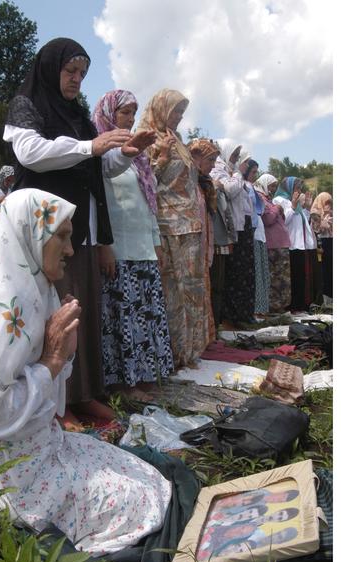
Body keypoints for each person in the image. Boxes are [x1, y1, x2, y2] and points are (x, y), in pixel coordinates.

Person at [0, 188, 171, 556]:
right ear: (29, 231)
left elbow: (47, 383)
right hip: (0, 467)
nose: (71, 250)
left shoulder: (33, 286)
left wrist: (60, 354)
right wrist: (52, 361)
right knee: (134, 501)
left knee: (146, 478)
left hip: (34, 444)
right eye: (63, 236)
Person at [2, 37, 154, 428]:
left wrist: (124, 154)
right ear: (51, 68)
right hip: (44, 234)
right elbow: (31, 153)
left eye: (82, 74)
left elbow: (96, 167)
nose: (76, 79)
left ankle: (82, 394)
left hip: (77, 233)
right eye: (70, 71)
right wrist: (91, 146)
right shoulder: (28, 105)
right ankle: (55, 403)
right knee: (50, 315)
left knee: (78, 311)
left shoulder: (77, 116)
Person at [92, 89, 173, 397]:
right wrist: (104, 244)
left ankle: (145, 374)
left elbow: (147, 201)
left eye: (133, 113)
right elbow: (97, 203)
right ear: (109, 113)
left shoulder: (137, 156)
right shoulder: (100, 151)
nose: (130, 119)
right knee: (124, 317)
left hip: (142, 248)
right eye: (125, 112)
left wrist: (156, 243)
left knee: (146, 315)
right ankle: (125, 383)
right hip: (119, 248)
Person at [138, 88, 213, 369]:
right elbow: (143, 185)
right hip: (167, 226)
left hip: (190, 225)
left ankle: (191, 351)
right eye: (176, 111)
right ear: (161, 109)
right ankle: (172, 353)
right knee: (173, 290)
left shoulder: (178, 140)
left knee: (193, 289)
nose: (180, 117)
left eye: (182, 112)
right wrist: (162, 159)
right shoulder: (147, 140)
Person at [190, 139, 234, 328]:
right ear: (196, 158)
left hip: (207, 240)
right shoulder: (189, 181)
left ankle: (211, 328)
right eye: (210, 160)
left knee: (215, 286)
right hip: (192, 244)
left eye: (215, 161)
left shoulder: (205, 183)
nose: (213, 166)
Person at [211, 141, 255, 327]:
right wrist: (236, 174)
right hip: (227, 229)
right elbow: (229, 190)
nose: (236, 160)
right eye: (234, 156)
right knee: (232, 275)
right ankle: (231, 317)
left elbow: (243, 201)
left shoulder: (231, 173)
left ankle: (242, 315)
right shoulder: (219, 169)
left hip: (240, 226)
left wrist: (234, 177)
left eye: (238, 157)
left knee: (243, 273)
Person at [273, 177, 321, 311]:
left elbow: (304, 221)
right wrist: (293, 206)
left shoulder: (294, 203)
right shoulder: (279, 201)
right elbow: (283, 222)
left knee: (301, 277)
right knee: (292, 278)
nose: (299, 191)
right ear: (289, 188)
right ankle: (292, 306)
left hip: (300, 245)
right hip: (290, 245)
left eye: (300, 189)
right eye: (297, 188)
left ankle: (301, 306)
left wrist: (306, 207)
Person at [255, 173, 291, 313]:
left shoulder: (269, 200)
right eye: (271, 186)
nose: (272, 189)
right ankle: (274, 306)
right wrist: (277, 209)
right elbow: (268, 219)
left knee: (283, 278)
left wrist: (278, 210)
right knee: (275, 277)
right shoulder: (261, 199)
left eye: (274, 186)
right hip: (272, 243)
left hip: (280, 243)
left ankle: (282, 305)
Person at [243, 159, 270, 317]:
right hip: (251, 232)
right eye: (253, 172)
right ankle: (255, 308)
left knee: (260, 271)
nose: (255, 175)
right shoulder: (244, 185)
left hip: (258, 232)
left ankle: (261, 308)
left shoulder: (251, 187)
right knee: (254, 271)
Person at [311, 191, 333, 299]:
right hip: (321, 243)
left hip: (331, 241)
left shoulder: (331, 212)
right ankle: (323, 296)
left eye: (330, 203)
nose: (328, 205)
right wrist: (324, 221)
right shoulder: (315, 213)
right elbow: (316, 230)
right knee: (322, 270)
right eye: (326, 202)